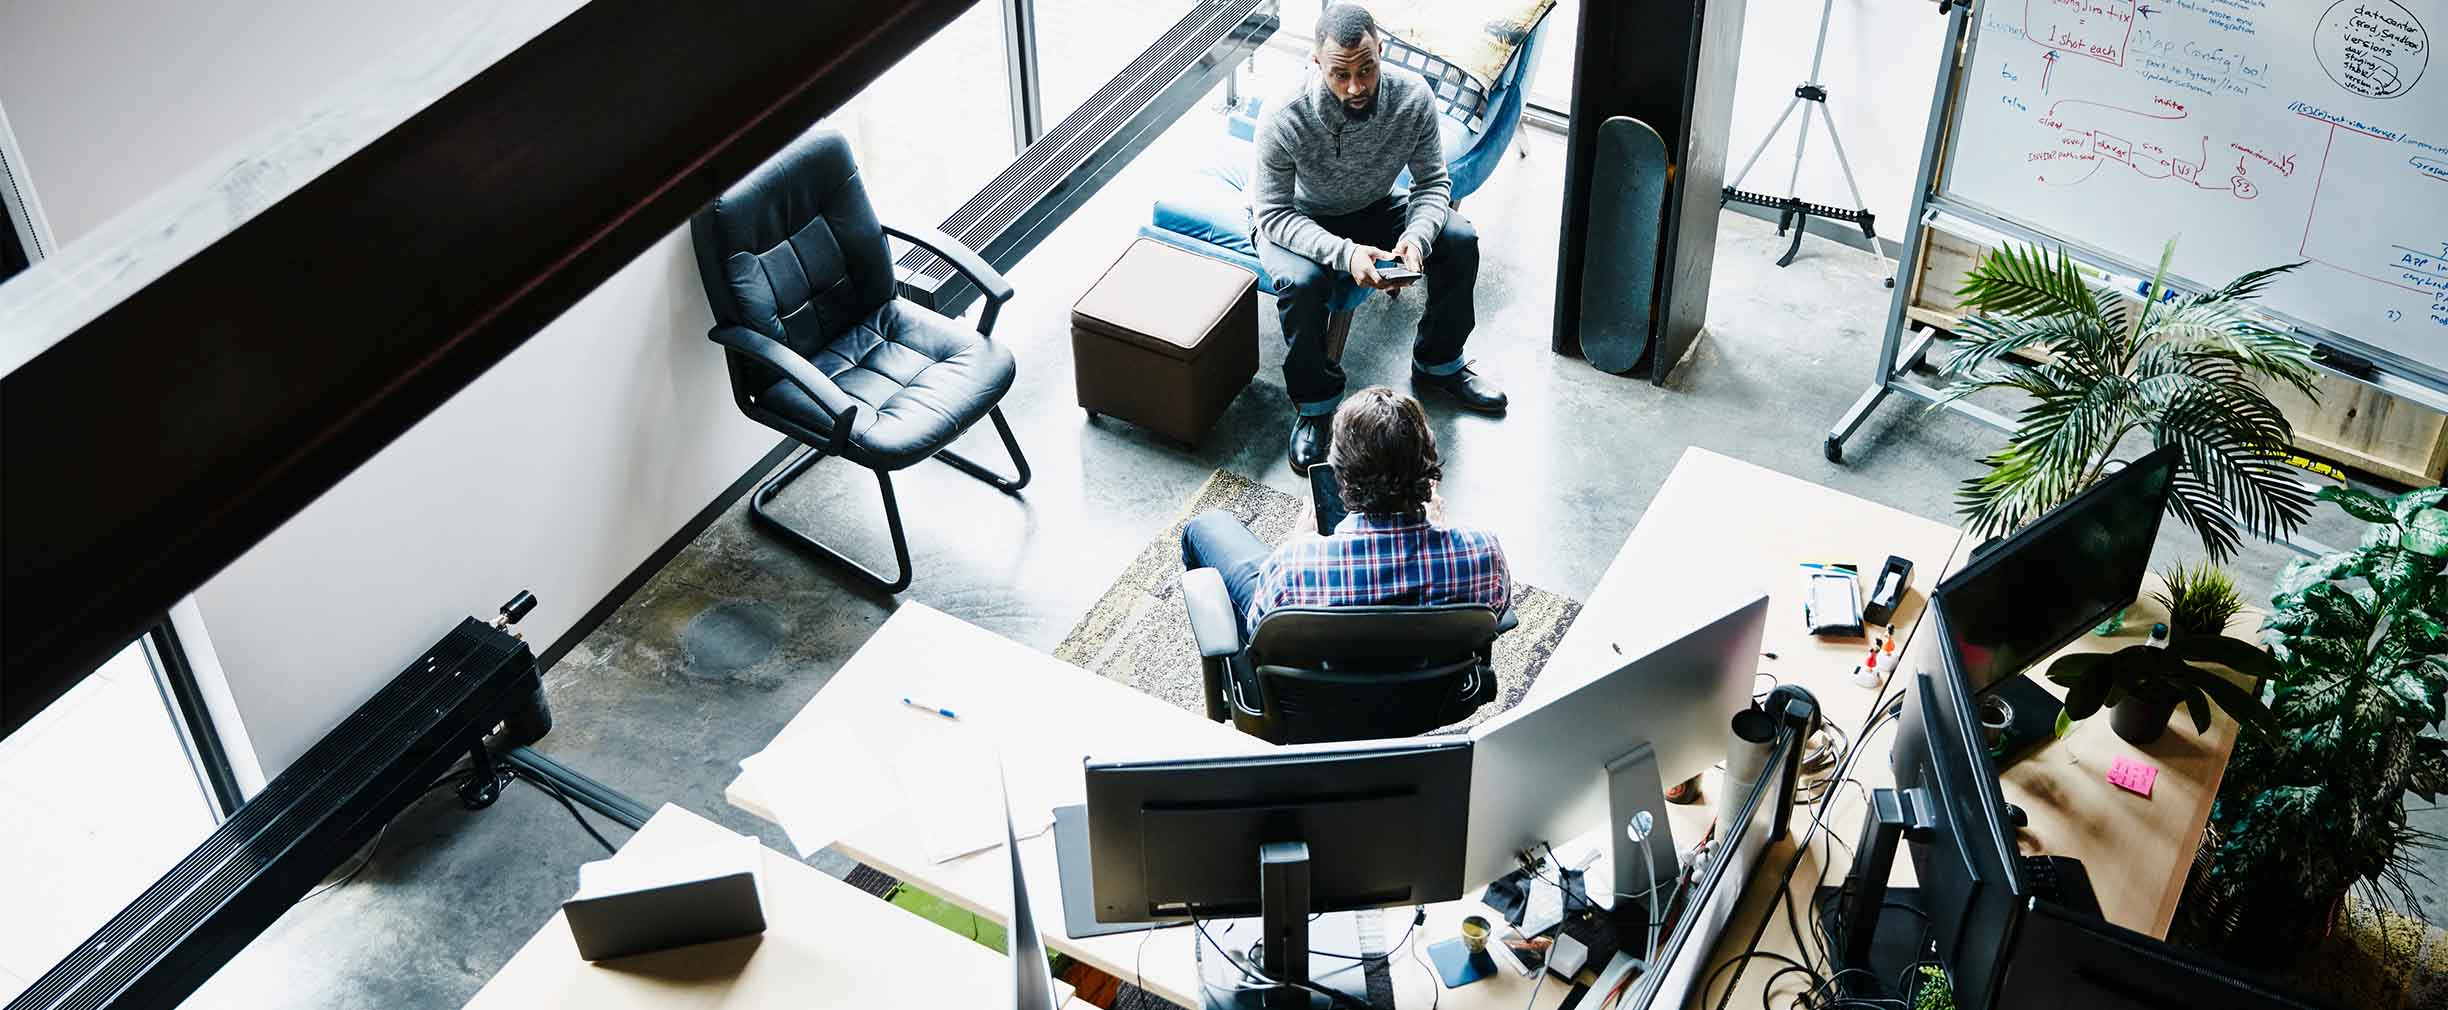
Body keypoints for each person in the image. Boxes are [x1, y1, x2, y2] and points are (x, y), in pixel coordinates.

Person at [1255, 2, 1506, 475]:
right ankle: (1314, 408)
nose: (1355, 87)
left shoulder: (1412, 98)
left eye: (1366, 70)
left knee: (1459, 239)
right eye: (1341, 74)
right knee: (1302, 286)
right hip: (1298, 220)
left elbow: (1433, 184)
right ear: (1317, 64)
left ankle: (1439, 363)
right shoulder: (1284, 115)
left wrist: (1416, 239)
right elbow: (1272, 213)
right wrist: (1346, 255)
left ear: (1381, 53)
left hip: (1373, 206)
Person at [1180, 387, 1510, 640]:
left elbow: (1258, 629)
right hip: (1430, 702)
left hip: (1314, 706)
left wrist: (1299, 543)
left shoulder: (1293, 566)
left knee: (1205, 528)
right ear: (1429, 470)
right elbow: (1495, 615)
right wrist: (1441, 531)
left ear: (1343, 478)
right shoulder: (1483, 554)